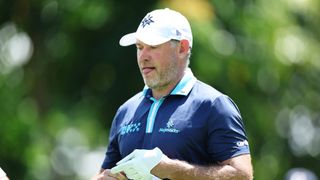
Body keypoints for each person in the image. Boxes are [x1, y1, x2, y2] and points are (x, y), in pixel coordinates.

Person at [92, 8, 253, 180]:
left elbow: (242, 175)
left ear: (182, 48)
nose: (143, 57)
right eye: (139, 47)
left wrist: (173, 170)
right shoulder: (125, 111)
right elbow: (104, 174)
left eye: (153, 46)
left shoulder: (214, 105)